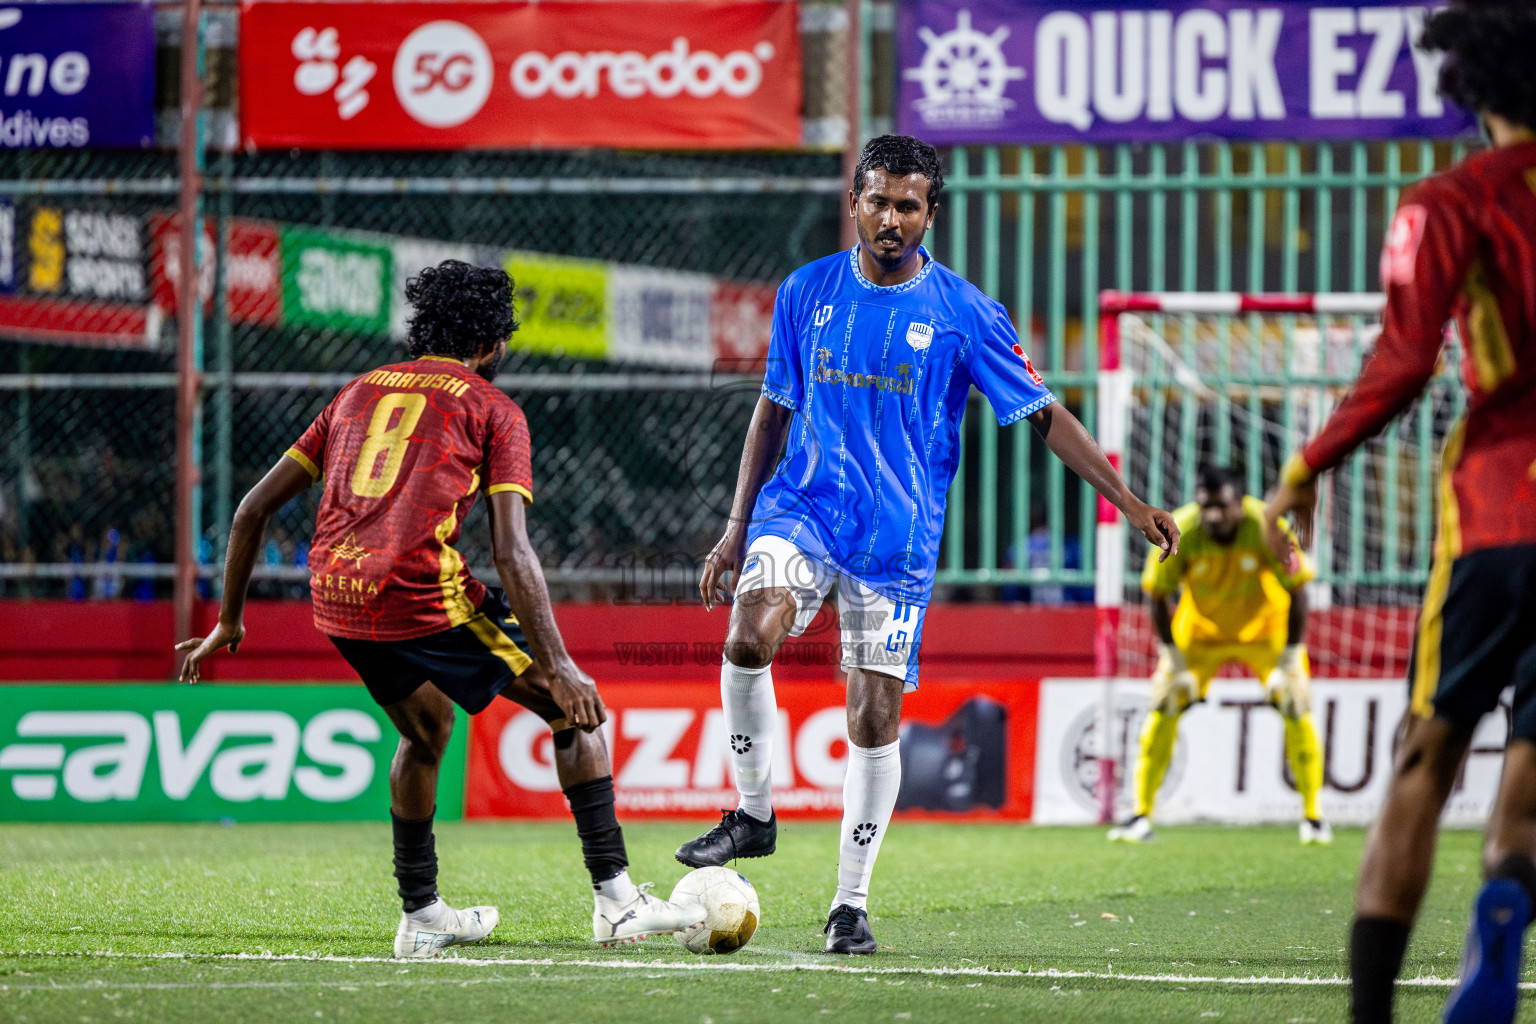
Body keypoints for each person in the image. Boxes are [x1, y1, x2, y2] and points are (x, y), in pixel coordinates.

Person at [675, 134, 1180, 954]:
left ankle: (849, 904)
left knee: (873, 716)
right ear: (855, 203)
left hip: (897, 540)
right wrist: (737, 528)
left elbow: (1045, 415)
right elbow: (771, 410)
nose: (890, 218)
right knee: (746, 632)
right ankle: (755, 812)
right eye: (877, 200)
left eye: (908, 205)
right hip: (803, 508)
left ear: (929, 216)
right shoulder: (807, 292)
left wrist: (1127, 498)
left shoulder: (965, 313)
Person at [176, 260, 703, 958]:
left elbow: (249, 511)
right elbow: (513, 553)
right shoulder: (491, 408)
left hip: (335, 597)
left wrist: (229, 621)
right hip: (420, 593)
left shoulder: (356, 392)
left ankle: (421, 913)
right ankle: (617, 901)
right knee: (576, 710)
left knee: (426, 731)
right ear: (493, 343)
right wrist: (562, 666)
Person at [1264, 4, 1536, 1020]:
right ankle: (1506, 898)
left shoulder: (1453, 199)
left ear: (1471, 90)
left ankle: (1373, 1010)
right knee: (1532, 767)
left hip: (1500, 512)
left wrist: (1306, 468)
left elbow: (1406, 360)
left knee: (1429, 747)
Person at [1107, 465, 1327, 845]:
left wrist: (1291, 658)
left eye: (1221, 507)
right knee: (1164, 701)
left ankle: (1313, 818)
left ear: (1239, 505)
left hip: (1265, 632)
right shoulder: (1182, 529)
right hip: (1200, 635)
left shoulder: (1266, 525)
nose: (1212, 515)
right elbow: (1156, 595)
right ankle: (1140, 814)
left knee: (1295, 703)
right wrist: (1173, 659)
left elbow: (1298, 589)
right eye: (1205, 506)